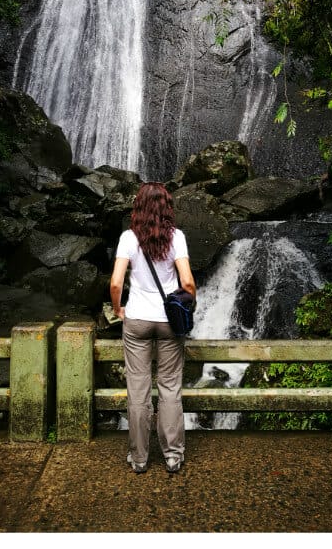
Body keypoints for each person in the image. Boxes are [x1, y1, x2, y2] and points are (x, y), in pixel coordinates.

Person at [109, 181, 196, 474]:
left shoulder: (128, 238)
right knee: (170, 387)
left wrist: (119, 308)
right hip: (169, 322)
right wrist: (187, 306)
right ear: (167, 207)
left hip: (137, 320)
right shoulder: (177, 238)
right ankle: (173, 455)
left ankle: (139, 458)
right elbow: (186, 283)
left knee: (138, 391)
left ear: (139, 207)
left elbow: (116, 283)